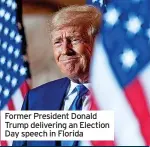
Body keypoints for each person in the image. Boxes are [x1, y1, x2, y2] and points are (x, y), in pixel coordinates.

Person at [13, 5, 101, 146]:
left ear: (96, 43)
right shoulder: (35, 99)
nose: (65, 50)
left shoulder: (123, 97)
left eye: (75, 39)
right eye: (58, 42)